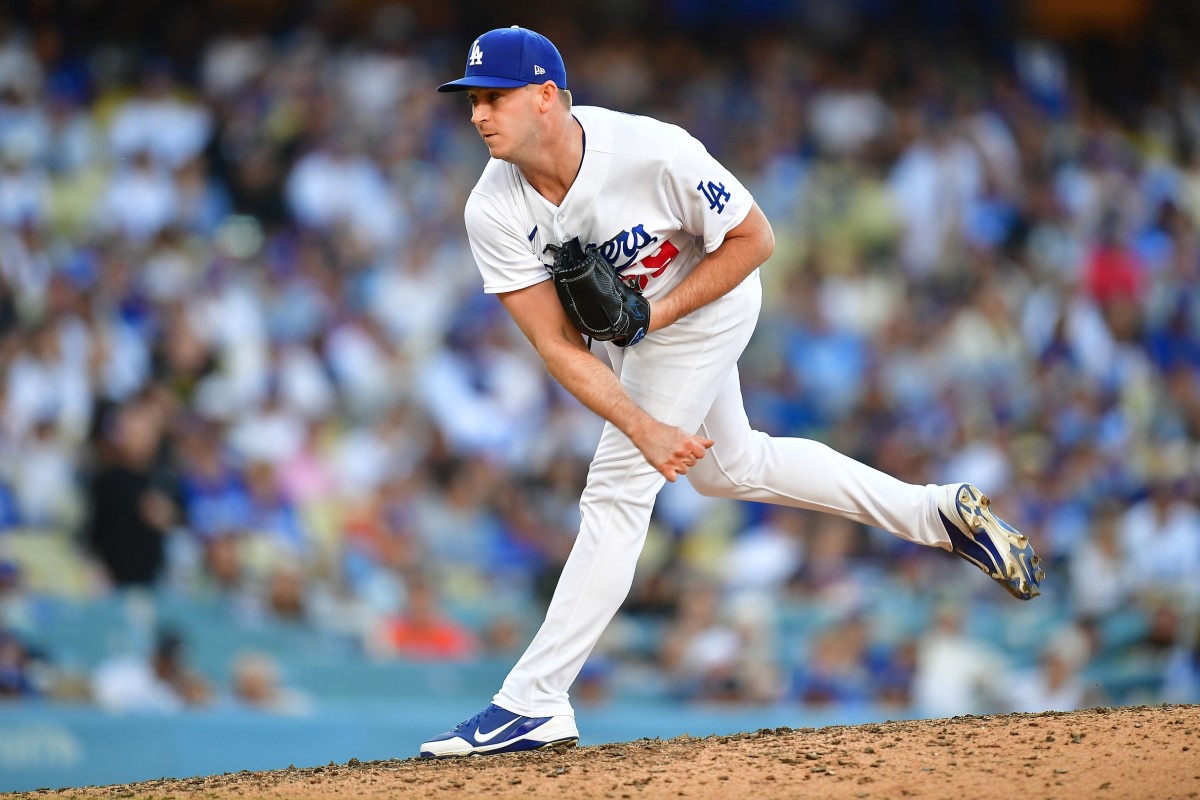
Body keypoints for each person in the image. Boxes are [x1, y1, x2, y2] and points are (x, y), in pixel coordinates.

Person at [420, 25, 1043, 758]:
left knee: (617, 493)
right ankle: (935, 513)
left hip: (706, 298)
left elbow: (756, 239)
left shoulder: (651, 150)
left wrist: (656, 323)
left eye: (495, 97)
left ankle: (533, 703)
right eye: (473, 100)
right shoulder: (490, 208)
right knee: (731, 469)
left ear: (548, 97)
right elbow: (558, 345)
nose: (478, 114)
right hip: (641, 335)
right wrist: (642, 409)